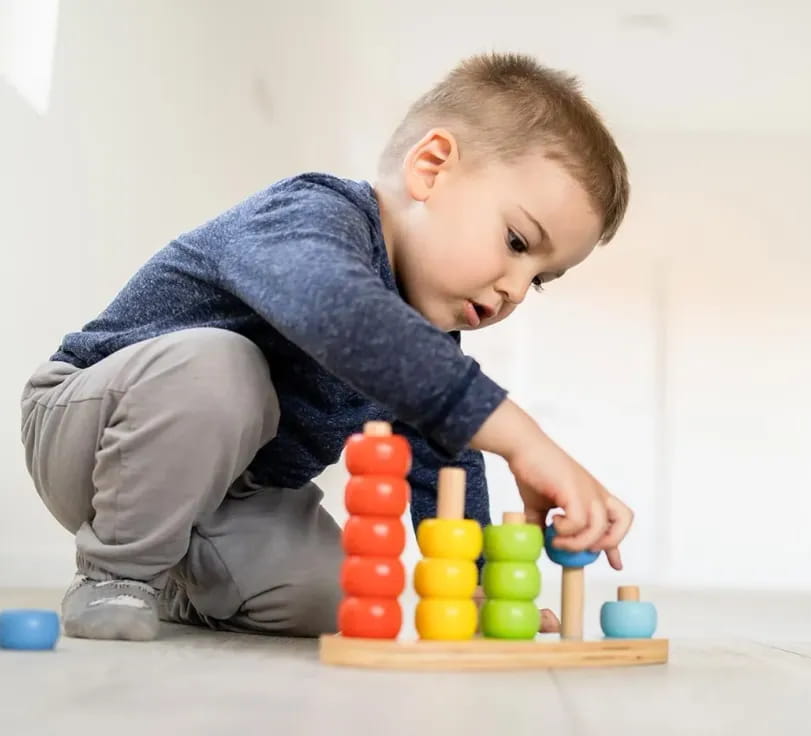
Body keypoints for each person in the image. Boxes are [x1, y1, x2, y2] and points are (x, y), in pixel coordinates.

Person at [20, 52, 634, 641]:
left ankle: (178, 581)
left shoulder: (424, 348)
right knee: (222, 370)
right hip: (93, 432)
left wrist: (473, 589)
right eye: (517, 242)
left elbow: (446, 466)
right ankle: (117, 573)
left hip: (233, 495)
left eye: (540, 279)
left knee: (333, 594)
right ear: (431, 167)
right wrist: (523, 439)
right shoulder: (310, 214)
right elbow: (336, 310)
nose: (516, 290)